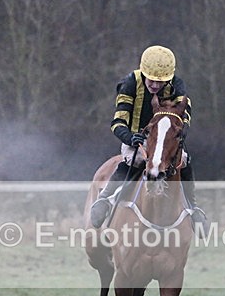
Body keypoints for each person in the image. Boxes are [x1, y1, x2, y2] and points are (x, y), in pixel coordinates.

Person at [89, 45, 208, 232]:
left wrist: (182, 130)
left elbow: (185, 114)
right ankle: (105, 198)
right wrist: (129, 137)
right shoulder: (129, 84)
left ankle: (193, 209)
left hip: (164, 139)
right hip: (136, 140)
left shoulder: (177, 86)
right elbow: (117, 122)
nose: (154, 85)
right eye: (151, 80)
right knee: (135, 159)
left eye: (160, 82)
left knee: (183, 160)